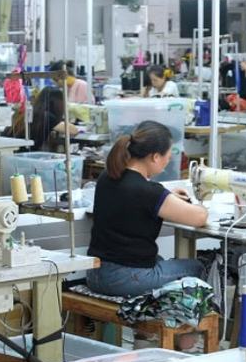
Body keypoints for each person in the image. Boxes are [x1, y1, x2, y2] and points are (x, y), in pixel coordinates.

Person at [86, 121, 208, 297]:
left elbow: (137, 201)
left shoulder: (108, 177)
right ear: (155, 157)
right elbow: (200, 217)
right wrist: (201, 202)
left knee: (162, 261)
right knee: (196, 267)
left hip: (95, 274)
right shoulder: (149, 191)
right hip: (123, 279)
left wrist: (168, 197)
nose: (168, 161)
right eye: (168, 156)